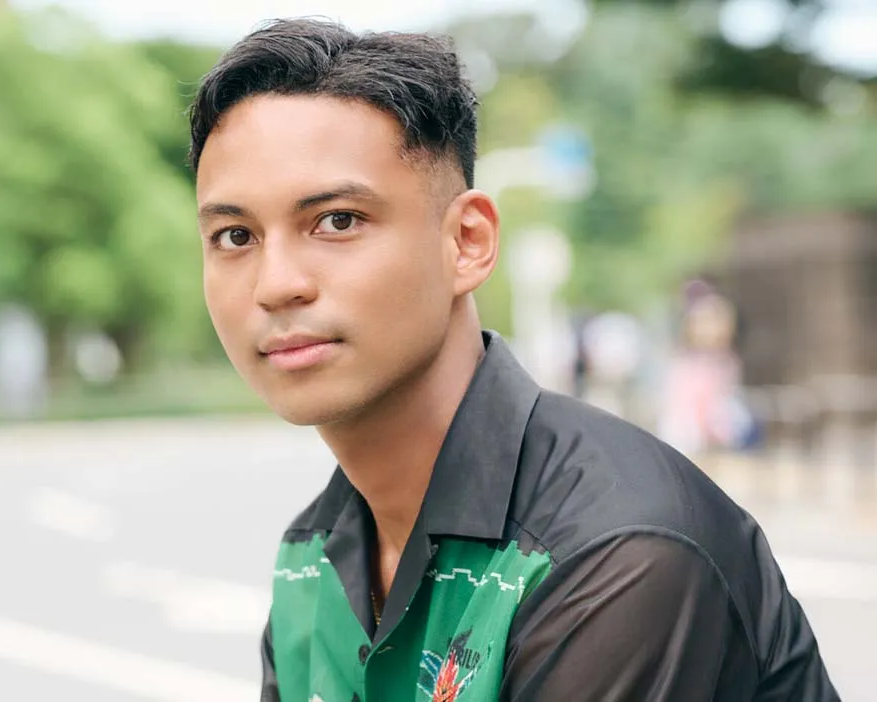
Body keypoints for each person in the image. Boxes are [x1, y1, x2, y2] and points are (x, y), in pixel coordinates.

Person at [187, 18, 839, 702]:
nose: (275, 283)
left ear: (467, 242)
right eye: (235, 236)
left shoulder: (614, 555)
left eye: (338, 220)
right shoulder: (313, 555)